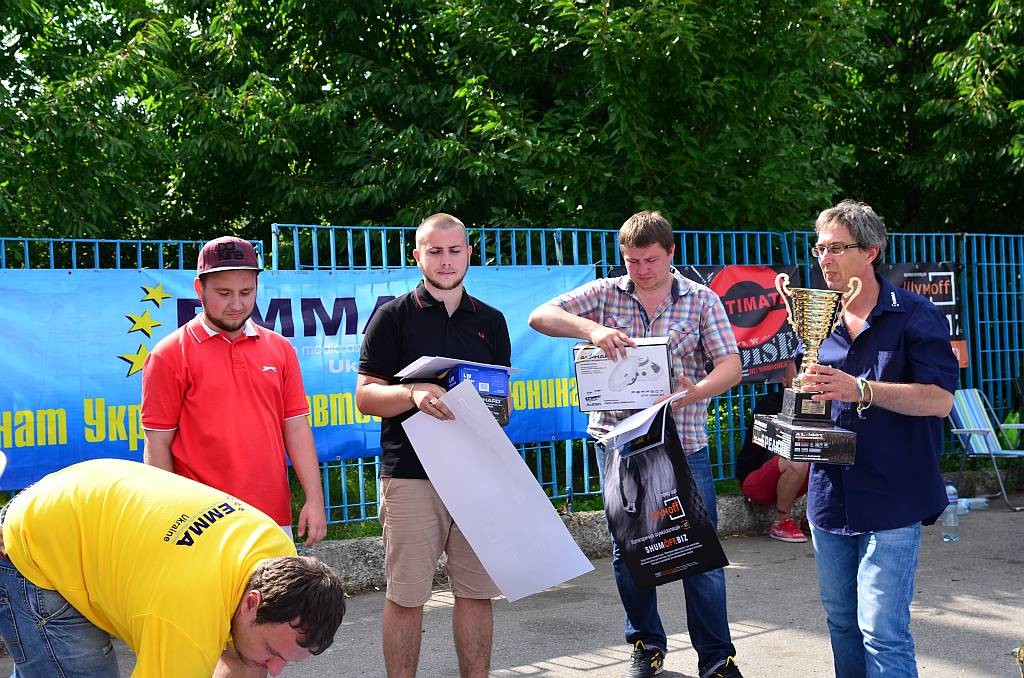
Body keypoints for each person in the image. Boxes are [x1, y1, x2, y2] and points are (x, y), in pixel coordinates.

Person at [528, 210, 744, 678]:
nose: (642, 270)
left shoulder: (701, 299)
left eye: (651, 260)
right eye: (632, 261)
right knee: (629, 553)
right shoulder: (605, 292)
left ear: (671, 253)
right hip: (619, 446)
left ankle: (717, 659)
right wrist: (593, 330)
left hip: (684, 443)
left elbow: (731, 366)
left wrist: (694, 391)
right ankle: (647, 645)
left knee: (700, 555)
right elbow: (539, 315)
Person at [799, 200, 958, 677]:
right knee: (842, 623)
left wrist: (861, 389)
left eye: (836, 248)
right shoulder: (819, 317)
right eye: (819, 249)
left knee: (882, 631)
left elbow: (939, 400)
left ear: (870, 252)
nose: (824, 259)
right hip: (830, 497)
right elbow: (813, 394)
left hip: (894, 496)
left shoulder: (916, 314)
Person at [0, 458, 346, 677]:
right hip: (36, 546)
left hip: (82, 502)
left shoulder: (277, 556)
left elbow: (241, 663)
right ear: (251, 603)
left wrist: (260, 657)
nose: (276, 670)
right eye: (272, 653)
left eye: (286, 659)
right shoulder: (184, 620)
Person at [355, 213, 511, 678]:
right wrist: (412, 394)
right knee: (407, 597)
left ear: (469, 254)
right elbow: (366, 397)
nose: (446, 260)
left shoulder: (491, 321)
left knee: (477, 593)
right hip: (411, 476)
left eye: (455, 250)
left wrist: (492, 407)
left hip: (476, 475)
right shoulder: (392, 316)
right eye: (435, 251)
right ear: (417, 256)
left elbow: (504, 403)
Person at [142, 236, 327, 546]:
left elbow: (296, 427)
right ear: (199, 289)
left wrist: (315, 499)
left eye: (246, 292)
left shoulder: (280, 348)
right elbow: (157, 443)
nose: (237, 304)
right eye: (224, 293)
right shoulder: (169, 354)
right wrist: (170, 518)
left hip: (271, 518)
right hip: (199, 524)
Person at [735, 362, 810, 543]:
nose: (806, 380)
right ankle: (781, 522)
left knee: (834, 454)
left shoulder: (823, 406)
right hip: (755, 481)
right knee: (797, 458)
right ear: (784, 381)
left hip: (788, 477)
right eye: (799, 376)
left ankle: (814, 518)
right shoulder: (770, 404)